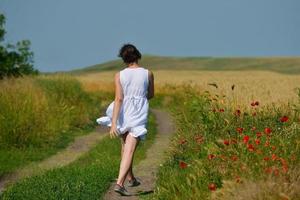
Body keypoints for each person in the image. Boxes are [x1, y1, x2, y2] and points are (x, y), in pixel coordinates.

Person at [96, 43, 154, 196]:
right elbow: (151, 94)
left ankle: (131, 178)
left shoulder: (119, 75)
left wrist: (114, 123)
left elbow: (119, 98)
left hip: (123, 112)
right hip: (138, 113)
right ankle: (120, 183)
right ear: (138, 55)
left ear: (123, 58)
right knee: (129, 149)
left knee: (125, 147)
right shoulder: (148, 73)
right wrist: (140, 98)